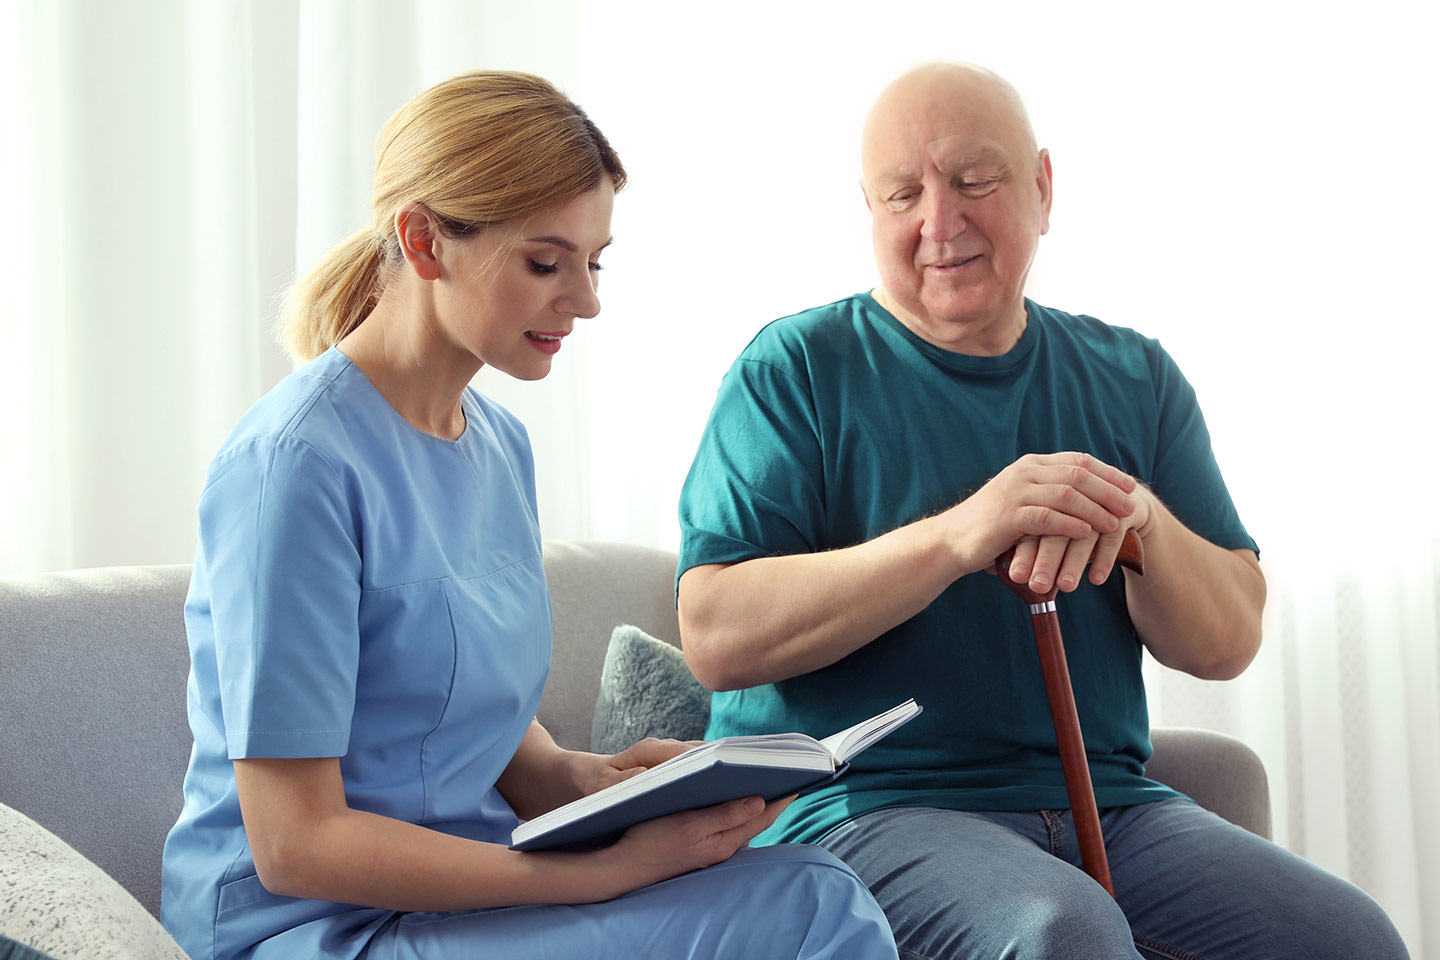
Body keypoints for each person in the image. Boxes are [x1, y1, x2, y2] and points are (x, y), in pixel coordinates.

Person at [675, 61, 1408, 959]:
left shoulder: (1136, 377)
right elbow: (716, 635)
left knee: (1349, 937)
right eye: (902, 195)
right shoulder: (791, 371)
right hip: (865, 810)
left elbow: (1227, 641)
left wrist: (1138, 521)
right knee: (1062, 932)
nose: (939, 223)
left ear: (1042, 186)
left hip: (1110, 808)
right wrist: (955, 535)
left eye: (974, 181)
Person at [160, 70, 899, 960]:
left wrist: (623, 785)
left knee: (809, 883)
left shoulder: (500, 447)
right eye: (546, 263)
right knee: (808, 915)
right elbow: (295, 844)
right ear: (423, 241)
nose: (585, 300)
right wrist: (602, 873)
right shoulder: (293, 469)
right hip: (314, 930)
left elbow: (501, 751)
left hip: (469, 901)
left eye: (594, 262)